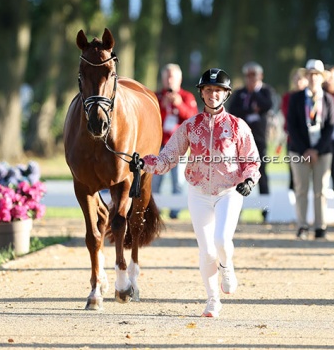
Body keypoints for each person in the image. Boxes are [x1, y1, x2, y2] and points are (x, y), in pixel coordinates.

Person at [132, 68, 261, 318]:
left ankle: (227, 266)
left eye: (218, 90)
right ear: (202, 93)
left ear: (226, 94)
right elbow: (168, 157)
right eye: (209, 90)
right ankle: (213, 300)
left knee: (222, 241)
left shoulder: (238, 126)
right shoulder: (190, 126)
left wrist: (249, 179)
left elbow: (252, 160)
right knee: (206, 250)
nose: (213, 95)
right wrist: (144, 163)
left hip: (229, 190)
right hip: (198, 191)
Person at [287, 59, 334, 240]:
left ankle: (320, 226)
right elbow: (291, 126)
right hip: (299, 150)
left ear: (322, 78)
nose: (313, 78)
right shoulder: (296, 98)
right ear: (306, 76)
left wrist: (316, 150)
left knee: (320, 189)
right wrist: (305, 150)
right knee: (301, 188)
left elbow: (330, 127)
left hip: (322, 152)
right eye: (310, 74)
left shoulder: (329, 99)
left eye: (317, 75)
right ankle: (302, 225)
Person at [228, 61, 275, 221]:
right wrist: (251, 109)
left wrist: (254, 96)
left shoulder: (266, 91)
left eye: (253, 75)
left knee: (261, 173)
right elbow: (233, 111)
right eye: (247, 75)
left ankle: (265, 210)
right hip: (240, 141)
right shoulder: (240, 93)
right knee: (238, 173)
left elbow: (268, 105)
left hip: (259, 139)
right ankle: (237, 210)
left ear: (260, 76)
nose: (250, 78)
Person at [153, 63, 198, 219]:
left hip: (179, 146)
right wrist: (164, 107)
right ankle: (155, 211)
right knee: (155, 181)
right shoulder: (156, 97)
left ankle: (175, 212)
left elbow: (193, 120)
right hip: (159, 145)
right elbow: (152, 121)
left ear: (180, 79)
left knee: (178, 182)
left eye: (172, 76)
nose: (170, 80)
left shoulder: (187, 97)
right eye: (167, 77)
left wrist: (179, 104)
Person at [281, 68, 308, 190]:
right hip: (293, 139)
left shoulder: (311, 97)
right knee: (293, 174)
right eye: (296, 78)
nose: (298, 82)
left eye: (301, 78)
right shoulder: (288, 97)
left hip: (309, 140)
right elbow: (288, 116)